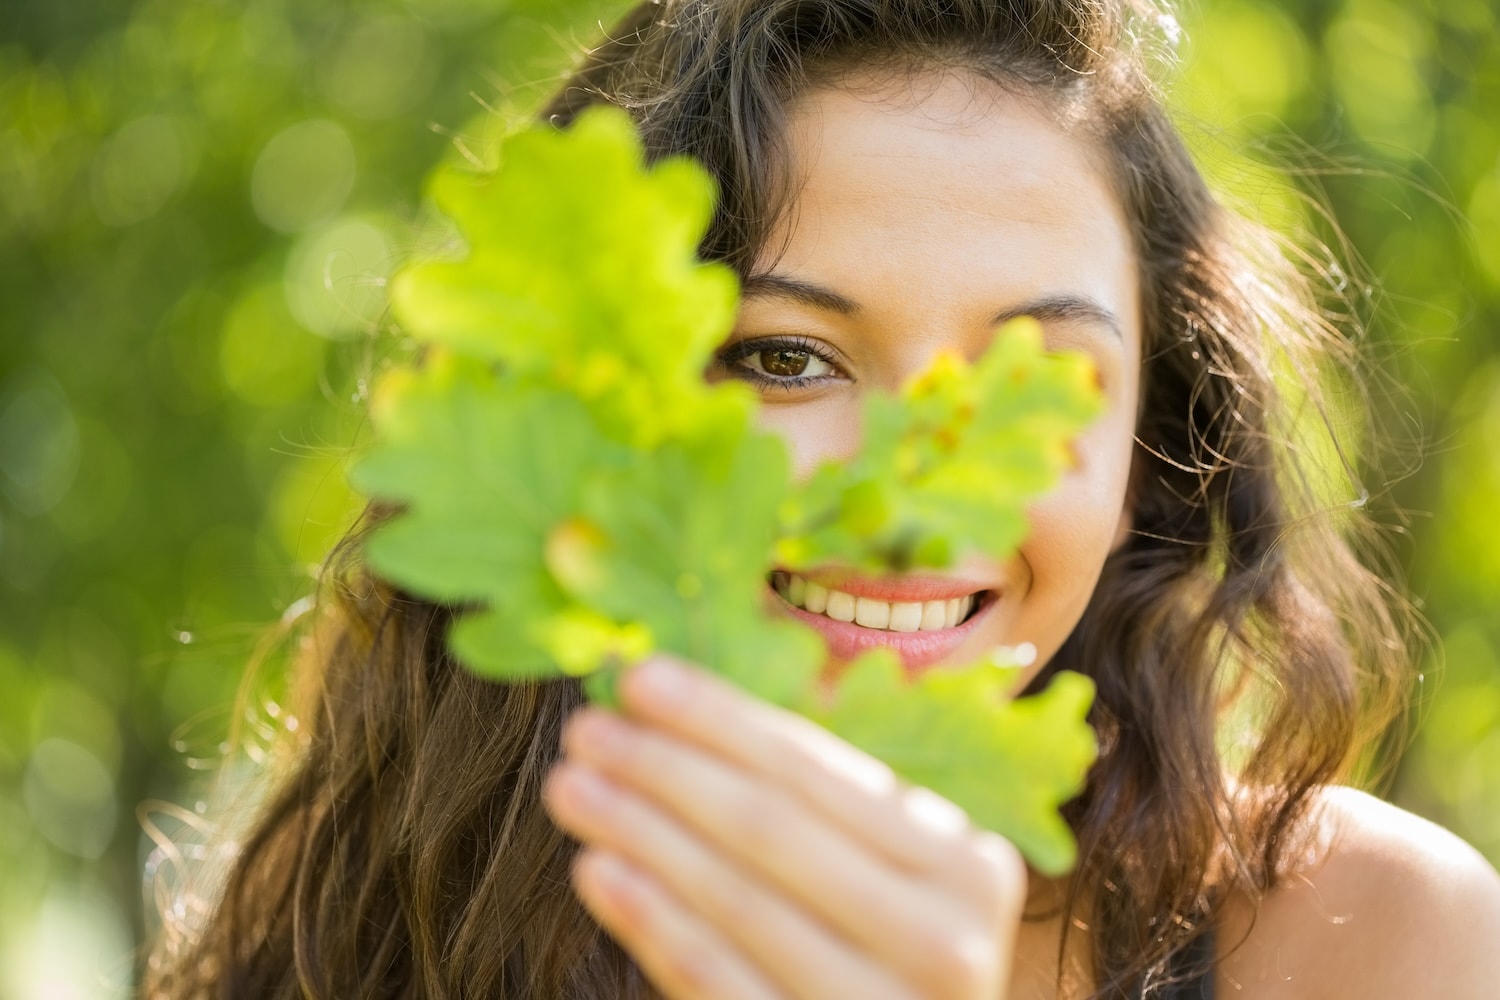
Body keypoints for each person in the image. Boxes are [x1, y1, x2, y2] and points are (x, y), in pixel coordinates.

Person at [143, 1, 1500, 997]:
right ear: (589, 419)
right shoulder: (361, 924)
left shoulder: (1379, 945)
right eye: (784, 361)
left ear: (1151, 442)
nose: (896, 512)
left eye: (1033, 377)